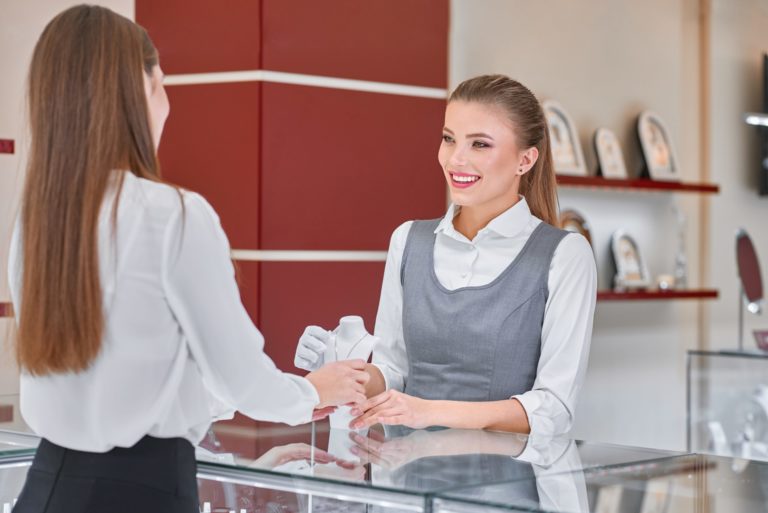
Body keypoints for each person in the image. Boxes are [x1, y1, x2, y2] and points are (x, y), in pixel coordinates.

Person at [8, 5, 367, 513]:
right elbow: (239, 375)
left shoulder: (39, 219)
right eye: (163, 84)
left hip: (47, 487)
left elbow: (133, 380)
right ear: (140, 88)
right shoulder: (172, 214)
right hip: (144, 491)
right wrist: (309, 392)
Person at [295, 74, 596, 436]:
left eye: (480, 144)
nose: (456, 159)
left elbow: (553, 409)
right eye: (448, 139)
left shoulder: (565, 255)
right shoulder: (408, 240)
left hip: (507, 486)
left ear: (525, 159)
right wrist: (342, 373)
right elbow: (394, 373)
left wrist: (429, 412)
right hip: (408, 480)